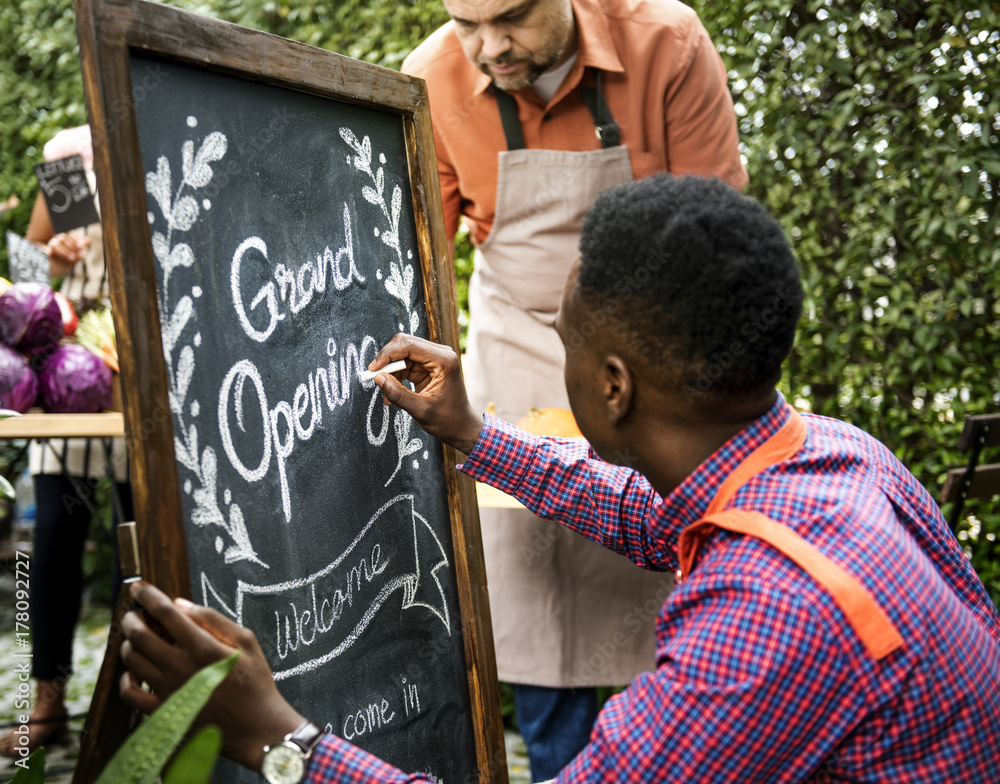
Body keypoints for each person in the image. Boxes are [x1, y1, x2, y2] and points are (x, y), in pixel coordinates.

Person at [118, 175, 1000, 783]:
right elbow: (644, 510)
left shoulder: (768, 618)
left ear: (613, 385)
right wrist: (472, 432)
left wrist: (275, 736)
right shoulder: (833, 458)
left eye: (566, 342)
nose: (562, 361)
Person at [400, 0, 747, 772]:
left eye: (512, 17)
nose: (489, 47)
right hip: (518, 346)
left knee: (668, 566)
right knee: (536, 593)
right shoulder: (430, 79)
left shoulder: (665, 41)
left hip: (652, 345)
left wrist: (673, 381)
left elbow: (717, 229)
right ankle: (564, 767)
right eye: (465, 22)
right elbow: (414, 257)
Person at [0, 125, 132, 758]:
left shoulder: (168, 131)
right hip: (71, 363)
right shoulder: (70, 155)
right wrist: (52, 259)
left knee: (139, 545)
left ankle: (128, 699)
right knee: (52, 537)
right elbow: (25, 266)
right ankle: (46, 704)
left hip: (145, 368)